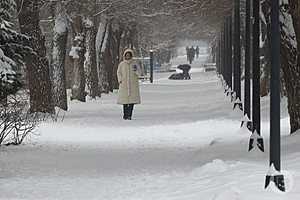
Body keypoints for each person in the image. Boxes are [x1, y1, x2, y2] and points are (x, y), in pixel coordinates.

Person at [117, 48, 141, 120]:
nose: (127, 56)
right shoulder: (122, 64)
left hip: (133, 85)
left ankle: (129, 115)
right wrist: (120, 80)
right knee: (124, 102)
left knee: (131, 102)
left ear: (131, 56)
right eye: (126, 55)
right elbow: (118, 72)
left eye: (129, 55)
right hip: (124, 84)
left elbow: (139, 73)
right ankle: (125, 115)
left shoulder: (135, 64)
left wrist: (135, 70)